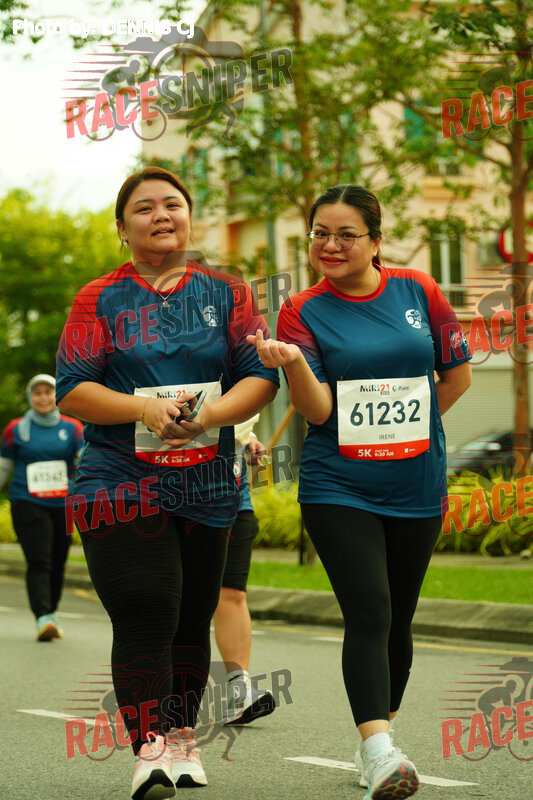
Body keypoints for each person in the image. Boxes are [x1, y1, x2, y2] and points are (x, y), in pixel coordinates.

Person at [55, 166, 278, 800]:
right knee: (148, 606)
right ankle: (149, 749)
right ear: (122, 228)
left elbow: (260, 377)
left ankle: (181, 738)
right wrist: (142, 409)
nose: (161, 215)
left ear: (189, 217)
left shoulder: (230, 294)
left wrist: (208, 416)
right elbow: (73, 389)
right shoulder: (98, 299)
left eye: (172, 204)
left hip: (207, 486)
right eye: (144, 207)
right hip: (119, 482)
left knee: (190, 618)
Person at [247, 185, 472, 800]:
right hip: (339, 484)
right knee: (369, 608)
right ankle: (378, 750)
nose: (331, 245)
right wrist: (294, 362)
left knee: (398, 616)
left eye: (346, 234)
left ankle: (380, 738)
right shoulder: (301, 310)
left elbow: (456, 377)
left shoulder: (419, 289)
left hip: (416, 481)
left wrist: (408, 433)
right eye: (320, 233)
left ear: (376, 241)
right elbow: (318, 411)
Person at [0, 374, 84, 640]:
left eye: (49, 392)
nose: (44, 398)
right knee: (39, 560)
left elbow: (84, 462)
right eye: (38, 393)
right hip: (28, 502)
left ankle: (51, 613)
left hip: (63, 505)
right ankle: (43, 615)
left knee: (58, 561)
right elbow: (3, 468)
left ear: (57, 395)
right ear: (30, 397)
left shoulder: (73, 428)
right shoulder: (16, 429)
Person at [213, 417, 276, 725]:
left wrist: (245, 437)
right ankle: (167, 692)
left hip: (236, 505)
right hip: (178, 508)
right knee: (178, 601)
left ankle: (240, 691)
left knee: (232, 594)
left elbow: (235, 414)